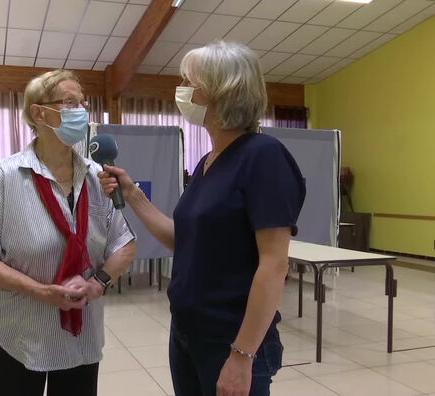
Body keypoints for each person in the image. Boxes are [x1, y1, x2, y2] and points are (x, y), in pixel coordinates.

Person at [99, 41, 306, 396]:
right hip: (186, 331)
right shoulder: (208, 162)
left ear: (223, 91)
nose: (182, 90)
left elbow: (274, 265)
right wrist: (132, 193)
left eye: (190, 81)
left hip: (231, 339)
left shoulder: (264, 157)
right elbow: (184, 240)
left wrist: (242, 356)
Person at [0, 69, 137, 396]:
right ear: (39, 113)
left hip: (80, 339)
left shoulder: (97, 176)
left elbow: (125, 244)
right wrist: (43, 292)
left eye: (84, 104)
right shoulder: (6, 176)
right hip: (18, 336)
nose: (82, 112)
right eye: (70, 103)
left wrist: (99, 282)